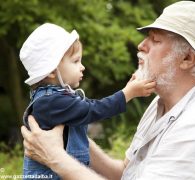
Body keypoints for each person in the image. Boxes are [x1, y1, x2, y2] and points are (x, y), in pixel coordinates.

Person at [21, 1, 195, 180]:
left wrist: (56, 158)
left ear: (187, 59)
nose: (141, 45)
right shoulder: (162, 104)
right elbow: (126, 173)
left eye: (154, 39)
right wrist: (71, 132)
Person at [19, 23, 156, 179]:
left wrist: (127, 90)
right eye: (76, 61)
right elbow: (93, 109)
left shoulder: (57, 99)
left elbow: (88, 107)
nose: (82, 67)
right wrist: (128, 93)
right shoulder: (51, 102)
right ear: (51, 71)